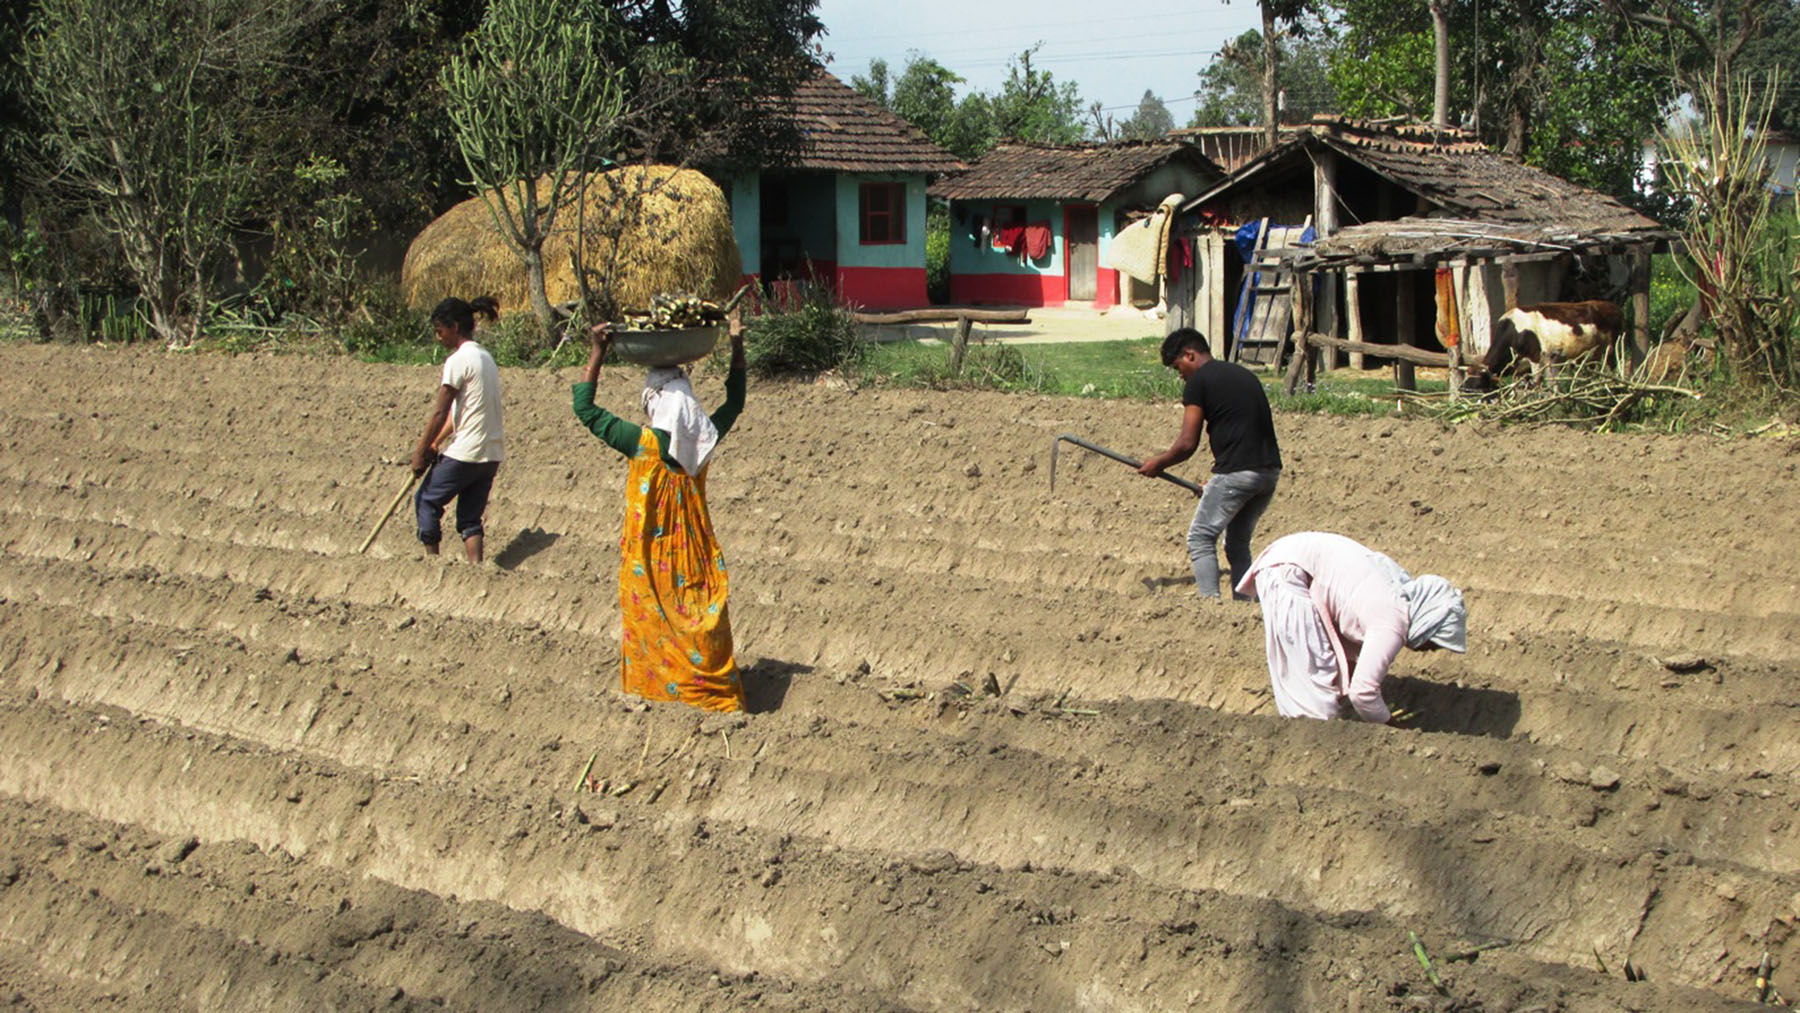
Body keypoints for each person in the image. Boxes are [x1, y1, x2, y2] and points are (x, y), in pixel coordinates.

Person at [573, 315, 748, 713]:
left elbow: (584, 409)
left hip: (650, 560)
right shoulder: (702, 443)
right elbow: (734, 402)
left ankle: (661, 694)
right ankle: (708, 695)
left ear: (655, 402)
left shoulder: (640, 442)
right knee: (701, 616)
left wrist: (597, 351)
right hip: (695, 553)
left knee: (652, 623)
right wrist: (736, 343)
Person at [1235, 531, 1467, 724]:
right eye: (1435, 642)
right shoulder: (1393, 620)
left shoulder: (1396, 597)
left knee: (1323, 675)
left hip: (1292, 557)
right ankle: (1311, 742)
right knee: (1313, 683)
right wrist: (1391, 728)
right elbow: (1363, 692)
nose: (1431, 651)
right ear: (1427, 626)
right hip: (1288, 570)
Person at [1137, 328, 1282, 599]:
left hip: (1238, 473)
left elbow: (1187, 444)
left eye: (1178, 367)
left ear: (1189, 355)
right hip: (1267, 473)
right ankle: (1244, 604)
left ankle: (1209, 606)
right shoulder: (1243, 375)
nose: (1180, 375)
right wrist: (1217, 481)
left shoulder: (1199, 381)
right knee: (1237, 543)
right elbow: (1244, 431)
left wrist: (1159, 463)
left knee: (1200, 537)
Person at [410, 296, 504, 563]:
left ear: (453, 326)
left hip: (467, 452)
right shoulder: (486, 358)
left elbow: (441, 411)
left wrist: (418, 453)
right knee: (469, 518)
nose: (438, 338)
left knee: (427, 500)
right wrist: (435, 443)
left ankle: (432, 564)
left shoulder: (458, 360)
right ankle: (476, 570)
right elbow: (459, 416)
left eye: (440, 331)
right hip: (491, 453)